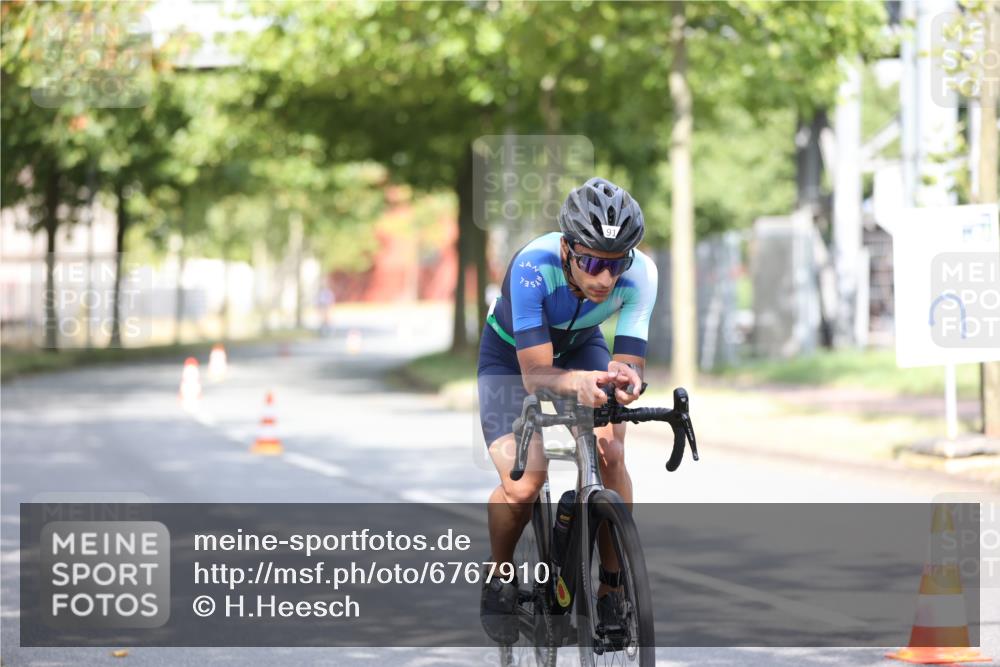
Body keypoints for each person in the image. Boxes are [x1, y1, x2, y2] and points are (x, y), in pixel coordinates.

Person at [477, 177, 658, 643]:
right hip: (510, 357)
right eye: (592, 262)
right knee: (523, 483)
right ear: (566, 248)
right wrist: (575, 383)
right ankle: (499, 574)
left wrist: (625, 380)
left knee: (611, 453)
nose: (604, 278)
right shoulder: (532, 267)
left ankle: (612, 588)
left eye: (616, 264)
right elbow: (535, 375)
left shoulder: (642, 275)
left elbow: (628, 361)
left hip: (581, 346)